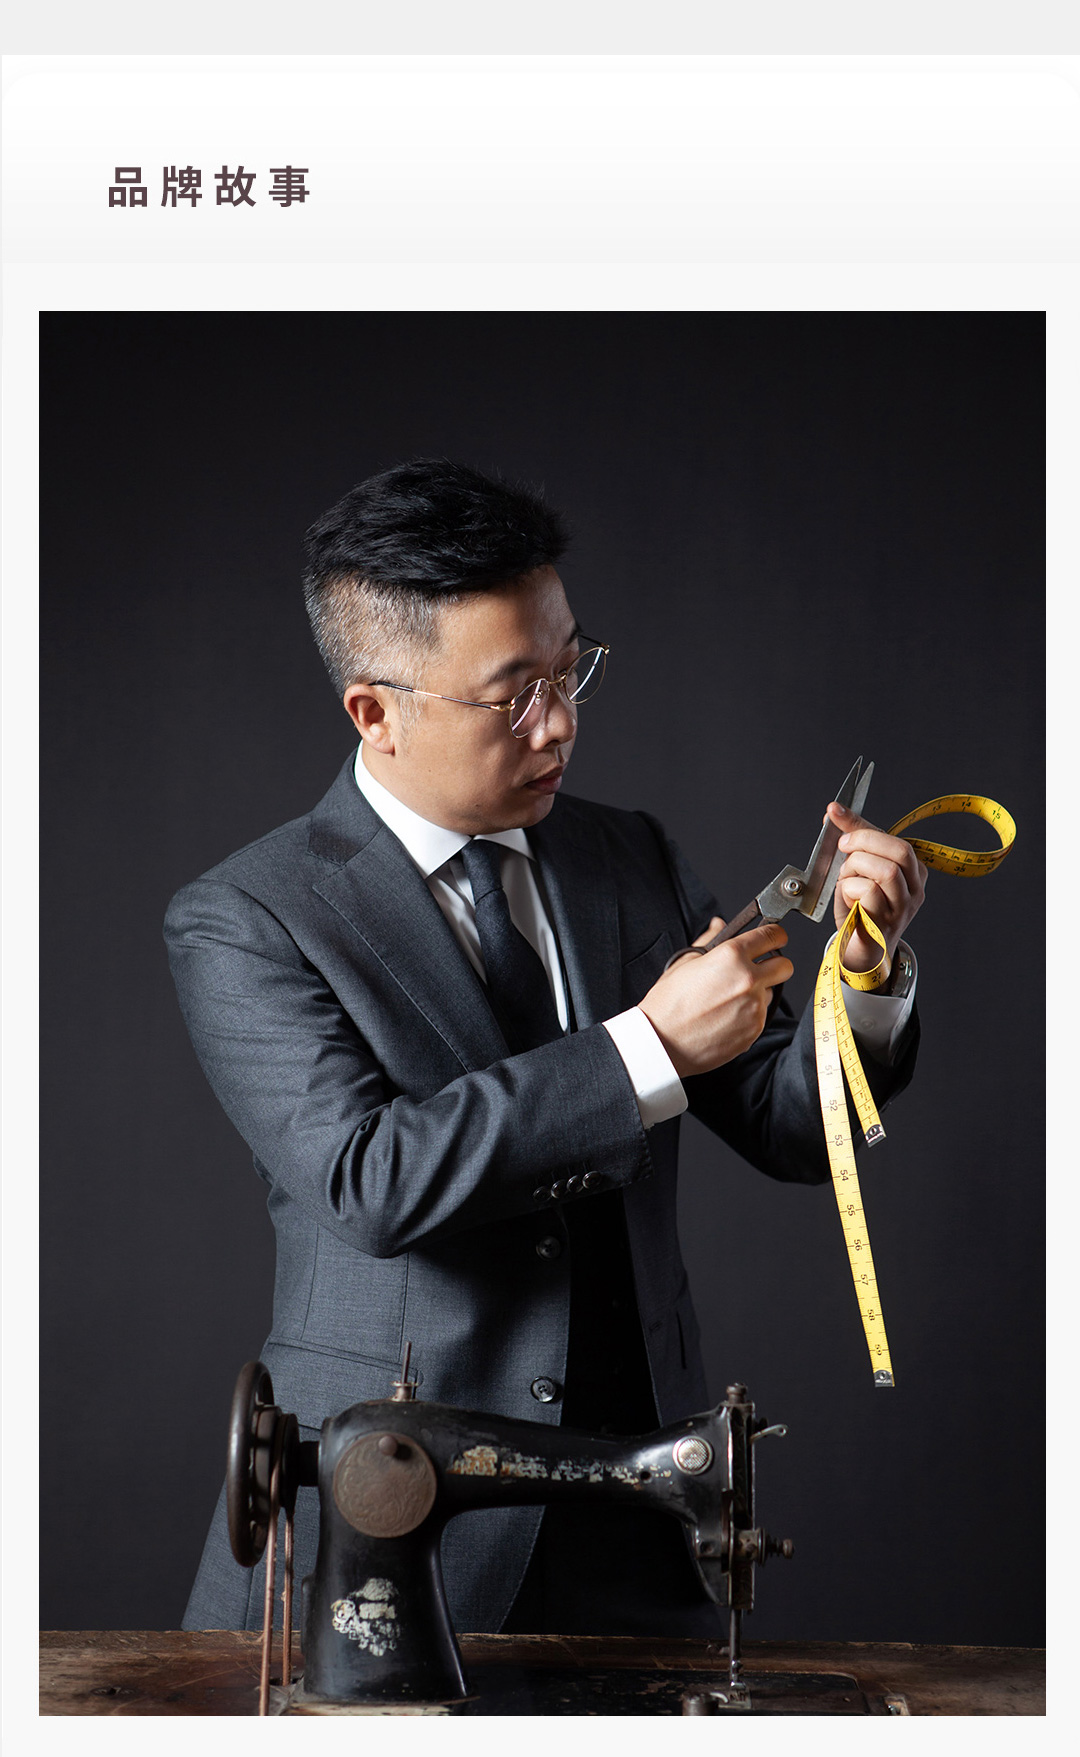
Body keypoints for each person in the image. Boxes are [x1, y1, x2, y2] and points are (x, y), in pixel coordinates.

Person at [166, 458, 925, 1638]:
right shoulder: (248, 916)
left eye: (572, 669)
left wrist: (863, 978)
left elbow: (791, 1127)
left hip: (641, 1515)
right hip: (390, 1518)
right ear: (374, 712)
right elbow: (371, 1178)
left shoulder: (632, 856)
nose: (561, 719)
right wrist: (645, 1047)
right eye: (514, 694)